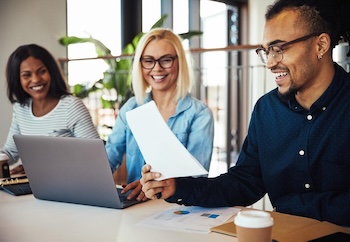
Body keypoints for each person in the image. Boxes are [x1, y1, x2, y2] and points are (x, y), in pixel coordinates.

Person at [140, 0, 350, 227]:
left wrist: (292, 207)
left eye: (279, 49)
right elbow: (245, 182)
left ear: (320, 45)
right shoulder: (266, 110)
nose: (270, 63)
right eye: (267, 51)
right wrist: (179, 187)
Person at [105, 28, 214, 202]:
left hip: (176, 208)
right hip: (135, 204)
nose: (157, 68)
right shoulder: (131, 108)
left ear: (179, 62)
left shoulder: (199, 115)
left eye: (166, 60)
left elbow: (196, 179)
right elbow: (110, 156)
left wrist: (153, 184)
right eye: (148, 60)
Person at [1, 44, 100, 175]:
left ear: (51, 72)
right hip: (34, 186)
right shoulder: (20, 108)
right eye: (27, 75)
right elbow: (10, 152)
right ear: (17, 79)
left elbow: (96, 158)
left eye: (42, 71)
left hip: (70, 185)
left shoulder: (71, 106)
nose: (36, 79)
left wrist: (40, 168)